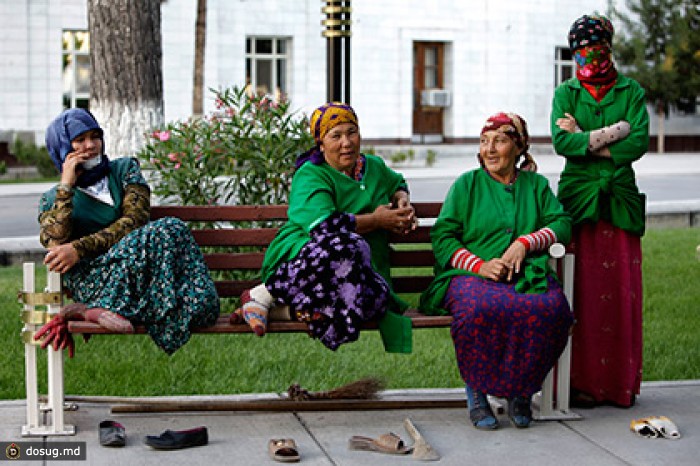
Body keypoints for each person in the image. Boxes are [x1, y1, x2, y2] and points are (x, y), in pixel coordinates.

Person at [420, 112, 574, 430]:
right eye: (484, 141)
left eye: (500, 141)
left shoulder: (535, 186)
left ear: (518, 147)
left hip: (524, 274)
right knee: (479, 309)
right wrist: (480, 266)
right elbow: (444, 237)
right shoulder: (467, 185)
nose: (490, 149)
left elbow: (561, 223)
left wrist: (526, 243)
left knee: (551, 309)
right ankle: (476, 393)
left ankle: (521, 391)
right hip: (469, 276)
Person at [231, 102, 417, 353]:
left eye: (352, 132)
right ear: (321, 143)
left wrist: (402, 199)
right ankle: (263, 294)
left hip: (362, 267)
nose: (347, 142)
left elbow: (397, 181)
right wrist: (377, 220)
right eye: (336, 136)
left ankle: (283, 310)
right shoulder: (311, 174)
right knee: (349, 244)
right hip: (307, 256)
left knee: (373, 298)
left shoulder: (372, 166)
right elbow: (326, 228)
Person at [35, 108, 220, 356]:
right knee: (165, 230)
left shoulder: (124, 170)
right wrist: (66, 187)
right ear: (62, 147)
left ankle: (89, 309)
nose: (90, 146)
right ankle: (94, 306)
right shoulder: (51, 200)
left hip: (140, 271)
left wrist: (79, 248)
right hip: (95, 278)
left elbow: (136, 220)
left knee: (201, 303)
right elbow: (55, 243)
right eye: (79, 140)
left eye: (95, 136)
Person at [551, 13, 649, 408]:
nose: (591, 58)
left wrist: (587, 139)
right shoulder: (567, 92)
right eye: (582, 51)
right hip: (577, 199)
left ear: (609, 49)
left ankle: (617, 383)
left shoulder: (631, 91)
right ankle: (579, 383)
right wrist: (613, 133)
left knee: (619, 290)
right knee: (579, 292)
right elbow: (561, 142)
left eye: (598, 50)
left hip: (619, 200)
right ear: (575, 53)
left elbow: (638, 141)